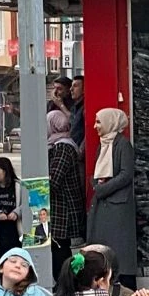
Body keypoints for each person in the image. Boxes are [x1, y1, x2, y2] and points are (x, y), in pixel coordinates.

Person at [85, 108, 138, 289]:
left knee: (120, 252)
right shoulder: (103, 144)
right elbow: (99, 171)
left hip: (118, 207)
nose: (95, 126)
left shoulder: (122, 145)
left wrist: (102, 189)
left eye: (99, 122)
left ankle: (125, 289)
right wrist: (96, 182)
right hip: (104, 205)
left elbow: (126, 174)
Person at [47, 109, 85, 276]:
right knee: (60, 248)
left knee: (60, 249)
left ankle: (65, 282)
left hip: (63, 208)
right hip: (63, 206)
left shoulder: (62, 147)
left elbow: (54, 180)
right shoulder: (63, 144)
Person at [0, 156, 23, 257]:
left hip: (16, 227)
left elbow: (26, 203)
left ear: (5, 171)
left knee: (18, 253)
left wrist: (17, 212)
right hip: (0, 229)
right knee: (3, 255)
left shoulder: (18, 186)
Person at [69, 75, 86, 148]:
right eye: (71, 86)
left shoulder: (84, 108)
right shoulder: (74, 107)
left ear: (84, 89)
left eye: (75, 86)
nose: (71, 89)